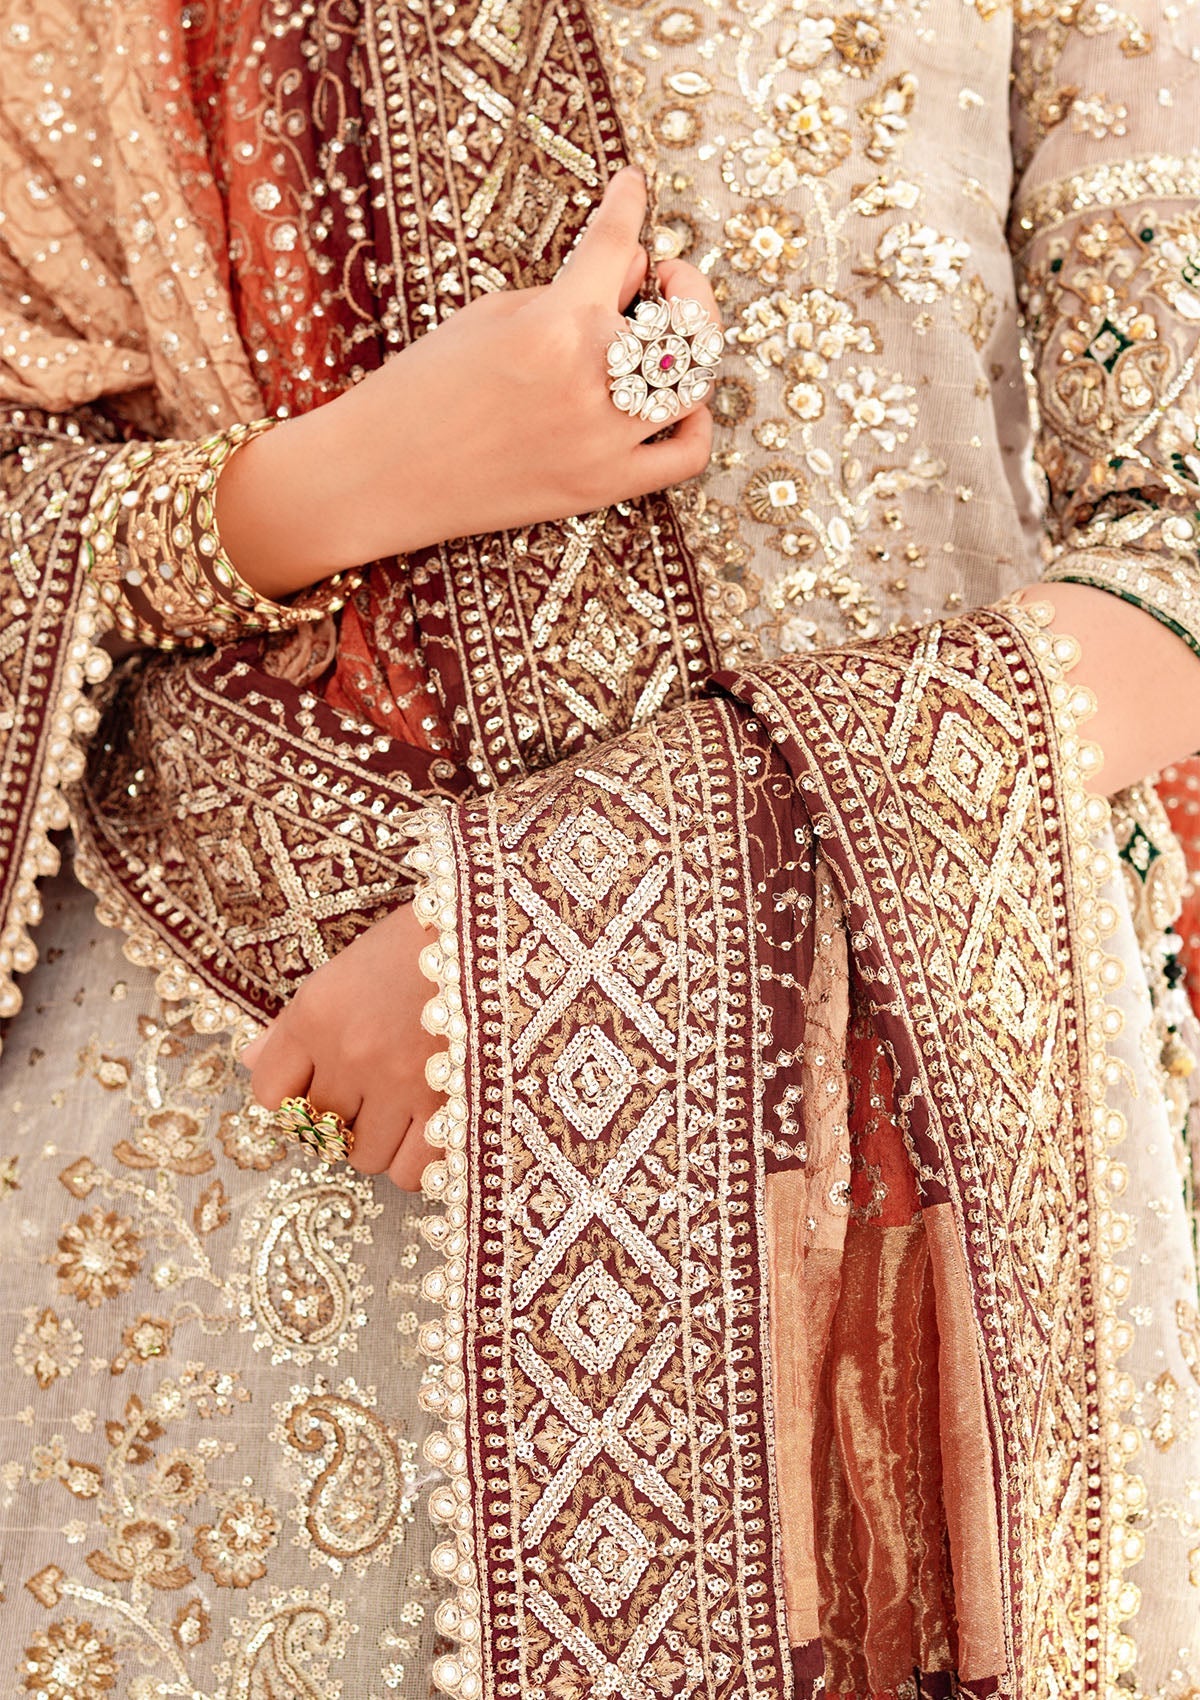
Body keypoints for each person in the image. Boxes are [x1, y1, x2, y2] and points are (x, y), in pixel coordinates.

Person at [0, 0, 1197, 1694]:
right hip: (224, 1149)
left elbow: (1173, 544)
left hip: (860, 1139)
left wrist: (573, 915)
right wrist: (360, 470)